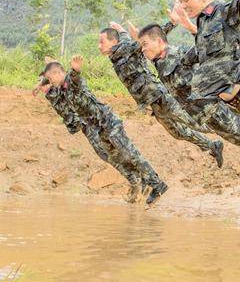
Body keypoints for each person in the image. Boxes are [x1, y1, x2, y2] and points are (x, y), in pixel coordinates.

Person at [133, 23, 240, 161]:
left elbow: (207, 48)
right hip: (207, 116)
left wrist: (188, 24)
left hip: (220, 106)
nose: (143, 50)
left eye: (145, 44)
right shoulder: (159, 63)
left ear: (160, 42)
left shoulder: (179, 54)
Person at [40, 58, 168, 204]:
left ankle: (157, 184)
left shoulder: (70, 82)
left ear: (58, 74)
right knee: (114, 158)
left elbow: (75, 78)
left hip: (108, 121)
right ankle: (141, 181)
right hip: (98, 128)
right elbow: (60, 104)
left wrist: (75, 70)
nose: (50, 82)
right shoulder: (61, 90)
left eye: (50, 78)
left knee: (130, 153)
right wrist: (43, 83)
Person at [98, 23, 224, 167]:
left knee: (193, 122)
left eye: (102, 42)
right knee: (178, 132)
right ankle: (213, 146)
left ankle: (230, 127)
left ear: (114, 42)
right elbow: (126, 36)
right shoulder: (116, 56)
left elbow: (153, 37)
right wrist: (120, 29)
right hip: (152, 102)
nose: (99, 46)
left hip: (159, 96)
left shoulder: (127, 49)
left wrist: (172, 23)